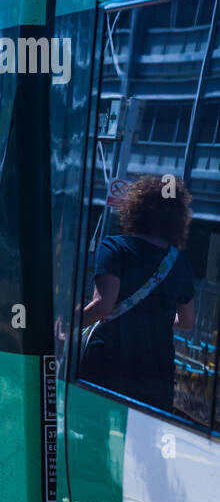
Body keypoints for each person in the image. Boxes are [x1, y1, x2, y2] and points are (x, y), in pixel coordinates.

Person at [81, 175, 195, 414]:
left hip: (109, 361)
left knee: (92, 434)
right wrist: (158, 319)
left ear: (136, 208)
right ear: (178, 220)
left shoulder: (116, 247)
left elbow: (103, 306)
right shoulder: (180, 263)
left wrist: (63, 325)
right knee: (143, 443)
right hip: (155, 371)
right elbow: (187, 321)